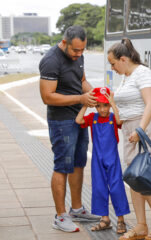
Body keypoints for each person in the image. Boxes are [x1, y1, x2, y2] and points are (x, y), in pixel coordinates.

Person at [39, 25, 100, 233]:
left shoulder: (78, 57)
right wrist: (80, 99)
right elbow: (47, 96)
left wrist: (96, 95)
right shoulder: (51, 60)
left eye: (82, 50)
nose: (79, 54)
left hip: (79, 117)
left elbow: (81, 81)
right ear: (64, 43)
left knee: (78, 164)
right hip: (61, 120)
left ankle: (76, 209)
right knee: (62, 166)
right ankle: (60, 216)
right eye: (75, 50)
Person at [107, 38, 151, 240]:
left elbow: (150, 104)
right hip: (130, 130)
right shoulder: (126, 76)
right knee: (134, 178)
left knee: (145, 176)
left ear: (123, 59)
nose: (112, 68)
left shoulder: (142, 73)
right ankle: (141, 225)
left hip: (145, 128)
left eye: (113, 64)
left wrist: (140, 130)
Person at [75, 87, 130, 234]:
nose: (102, 109)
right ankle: (104, 219)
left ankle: (121, 220)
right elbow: (78, 120)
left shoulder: (113, 117)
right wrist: (86, 104)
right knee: (99, 188)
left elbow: (120, 121)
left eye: (105, 105)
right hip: (97, 160)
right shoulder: (92, 118)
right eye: (98, 106)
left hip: (112, 159)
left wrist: (113, 103)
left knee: (117, 187)